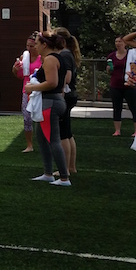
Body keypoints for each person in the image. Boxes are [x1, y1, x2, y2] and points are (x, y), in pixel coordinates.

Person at [23, 32, 70, 186]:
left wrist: (32, 87)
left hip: (50, 102)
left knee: (53, 140)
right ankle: (48, 173)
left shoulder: (50, 59)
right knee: (42, 138)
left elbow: (52, 83)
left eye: (37, 43)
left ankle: (64, 177)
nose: (35, 46)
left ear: (44, 45)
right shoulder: (57, 58)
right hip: (52, 101)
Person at [54, 27, 79, 176]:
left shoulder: (64, 54)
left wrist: (60, 93)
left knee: (63, 133)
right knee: (68, 133)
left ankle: (65, 169)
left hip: (66, 96)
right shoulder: (68, 53)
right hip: (71, 96)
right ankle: (71, 167)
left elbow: (67, 77)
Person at [12, 32, 42, 153]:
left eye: (32, 46)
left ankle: (45, 143)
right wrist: (15, 69)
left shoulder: (43, 58)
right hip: (27, 90)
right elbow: (19, 75)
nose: (29, 49)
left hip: (39, 90)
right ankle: (29, 145)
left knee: (41, 118)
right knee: (27, 118)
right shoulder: (24, 57)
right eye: (27, 46)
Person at [107, 35, 136, 137]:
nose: (118, 43)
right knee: (117, 108)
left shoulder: (131, 54)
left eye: (120, 41)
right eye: (116, 41)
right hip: (115, 85)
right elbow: (108, 70)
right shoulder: (112, 56)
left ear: (125, 43)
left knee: (133, 107)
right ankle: (117, 130)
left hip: (129, 85)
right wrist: (110, 69)